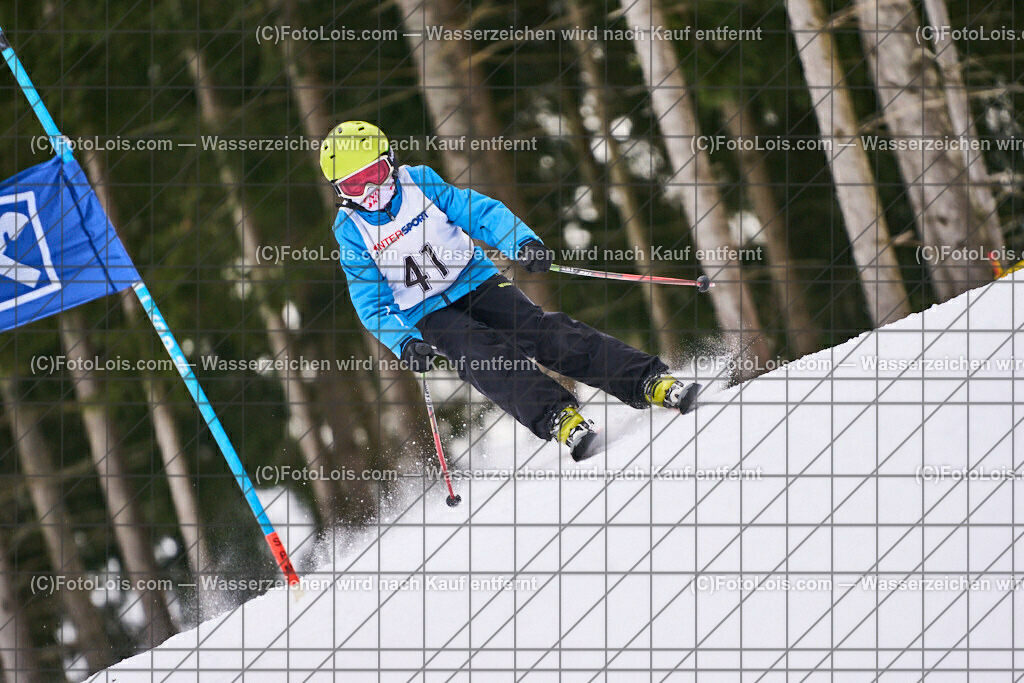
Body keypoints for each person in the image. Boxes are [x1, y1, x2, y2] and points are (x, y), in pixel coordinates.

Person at [322, 121, 699, 461]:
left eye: (375, 173)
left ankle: (646, 380)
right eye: (355, 185)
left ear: (390, 161)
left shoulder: (418, 182)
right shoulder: (351, 232)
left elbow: (479, 212)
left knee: (537, 330)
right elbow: (371, 303)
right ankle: (557, 417)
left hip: (474, 278)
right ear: (341, 192)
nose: (370, 190)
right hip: (426, 312)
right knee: (479, 354)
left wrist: (520, 242)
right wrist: (404, 342)